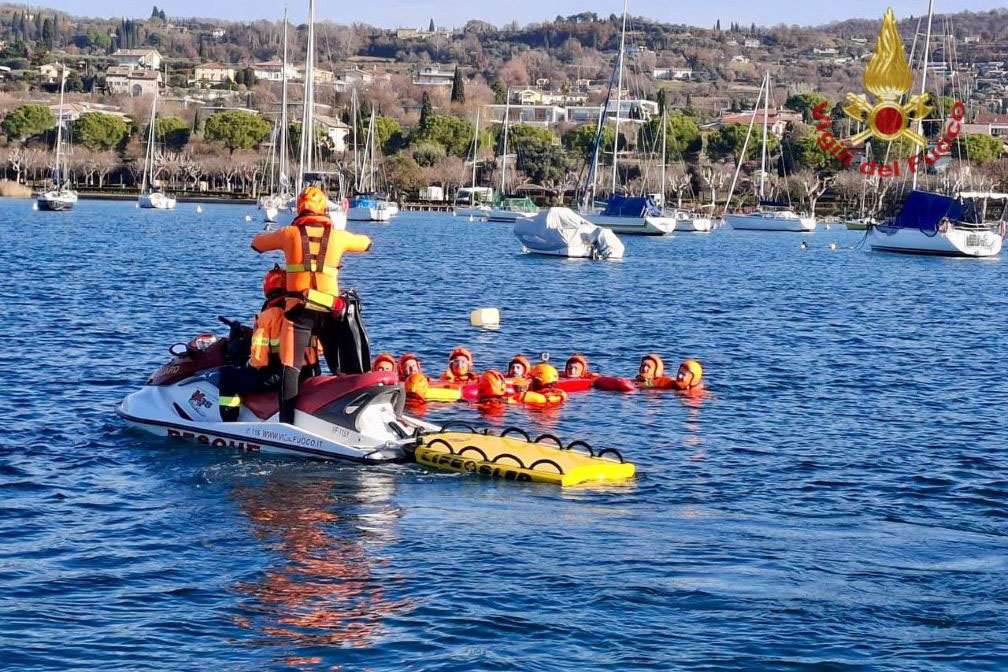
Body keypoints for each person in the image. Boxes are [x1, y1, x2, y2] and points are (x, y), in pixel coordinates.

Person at [251, 186, 373, 423]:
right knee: (339, 367)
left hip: (299, 312)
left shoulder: (289, 233)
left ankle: (287, 423)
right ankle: (352, 412)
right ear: (324, 209)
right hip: (330, 311)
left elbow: (257, 244)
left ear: (299, 208)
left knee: (291, 367)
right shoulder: (338, 236)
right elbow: (367, 244)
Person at [217, 268, 287, 422]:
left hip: (274, 375)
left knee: (227, 377)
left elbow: (259, 360)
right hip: (301, 372)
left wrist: (246, 364)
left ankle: (229, 422)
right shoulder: (298, 310)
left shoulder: (268, 315)